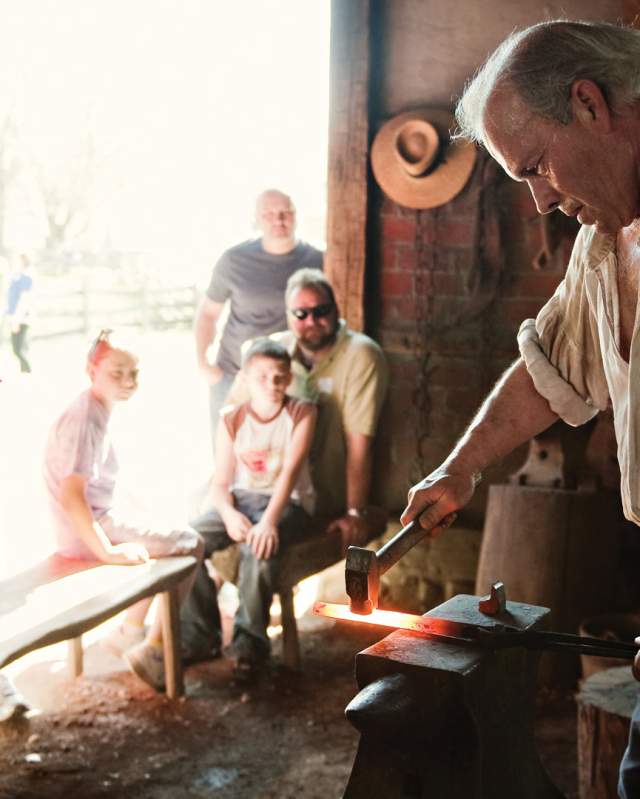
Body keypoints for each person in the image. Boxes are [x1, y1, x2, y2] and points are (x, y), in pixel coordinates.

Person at [395, 20, 640, 798]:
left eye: (536, 166)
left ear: (589, 105)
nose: (538, 199)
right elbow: (549, 370)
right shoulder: (607, 246)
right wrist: (457, 466)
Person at [43, 329, 205, 691]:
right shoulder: (84, 418)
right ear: (91, 370)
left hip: (96, 520)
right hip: (85, 532)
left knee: (165, 527)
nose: (128, 381)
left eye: (134, 373)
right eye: (117, 372)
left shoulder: (99, 409)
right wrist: (109, 551)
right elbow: (72, 495)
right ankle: (151, 648)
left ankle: (130, 631)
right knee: (191, 542)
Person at [183, 338, 316, 676]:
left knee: (258, 548)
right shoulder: (232, 418)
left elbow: (289, 474)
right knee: (187, 541)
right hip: (243, 499)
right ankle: (201, 634)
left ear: (288, 378)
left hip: (288, 503)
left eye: (279, 377)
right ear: (245, 376)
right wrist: (228, 514)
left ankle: (249, 645)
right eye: (262, 377)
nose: (272, 385)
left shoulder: (302, 412)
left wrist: (268, 522)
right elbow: (221, 483)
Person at [194, 189, 323, 452]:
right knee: (227, 456)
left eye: (286, 212)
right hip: (232, 372)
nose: (279, 220)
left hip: (286, 378)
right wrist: (204, 363)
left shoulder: (318, 260)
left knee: (276, 459)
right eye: (269, 214)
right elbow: (208, 314)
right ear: (257, 219)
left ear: (295, 216)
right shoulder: (234, 260)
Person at [5, 253, 34, 373]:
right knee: (18, 349)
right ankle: (24, 372)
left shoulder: (26, 278)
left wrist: (16, 320)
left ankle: (28, 372)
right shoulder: (15, 278)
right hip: (14, 318)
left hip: (22, 318)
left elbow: (24, 300)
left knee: (19, 349)